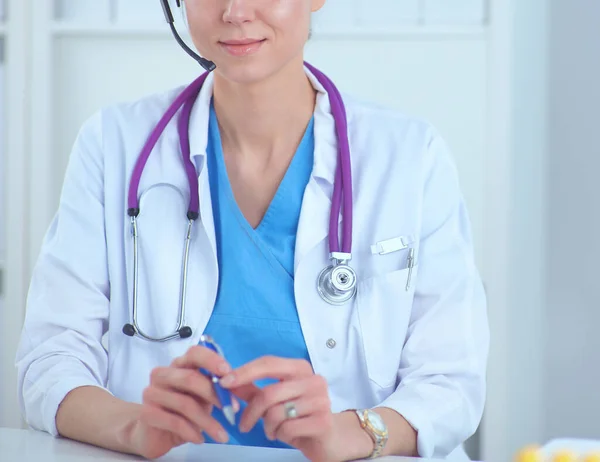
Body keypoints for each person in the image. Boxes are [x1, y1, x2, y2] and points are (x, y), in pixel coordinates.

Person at [15, 0, 489, 461]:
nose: (236, 12)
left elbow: (452, 383)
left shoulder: (408, 155)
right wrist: (134, 425)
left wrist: (353, 432)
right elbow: (49, 363)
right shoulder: (113, 143)